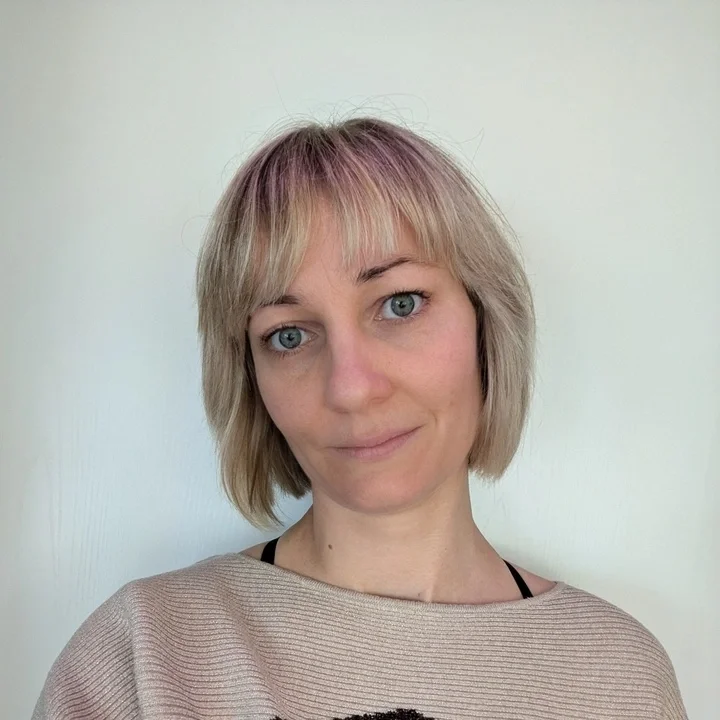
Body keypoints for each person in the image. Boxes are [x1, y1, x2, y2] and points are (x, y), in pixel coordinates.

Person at [32, 117, 688, 719]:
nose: (351, 388)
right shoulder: (144, 657)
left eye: (400, 304)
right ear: (251, 381)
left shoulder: (620, 678)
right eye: (289, 335)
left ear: (486, 323)